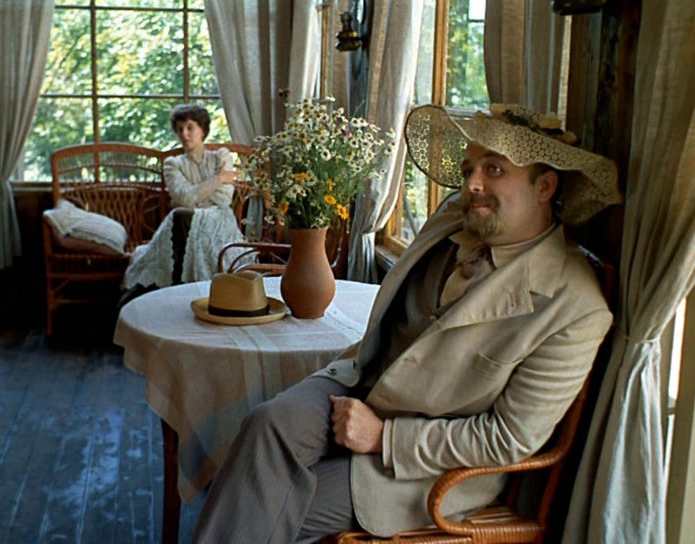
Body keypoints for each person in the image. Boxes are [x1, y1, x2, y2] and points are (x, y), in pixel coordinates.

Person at [190, 103, 623, 542]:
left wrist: (384, 436)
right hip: (362, 382)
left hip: (425, 466)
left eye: (494, 169)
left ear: (545, 186)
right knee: (265, 425)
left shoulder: (576, 307)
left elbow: (506, 439)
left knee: (265, 503)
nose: (472, 183)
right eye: (469, 168)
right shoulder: (456, 214)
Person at [122, 104, 250, 294]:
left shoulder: (221, 157)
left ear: (203, 130)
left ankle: (180, 286)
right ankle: (177, 285)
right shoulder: (173, 165)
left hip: (219, 219)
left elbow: (224, 198)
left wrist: (195, 196)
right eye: (180, 129)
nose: (184, 134)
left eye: (190, 127)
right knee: (180, 215)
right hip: (184, 223)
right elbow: (185, 200)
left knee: (181, 215)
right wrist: (218, 179)